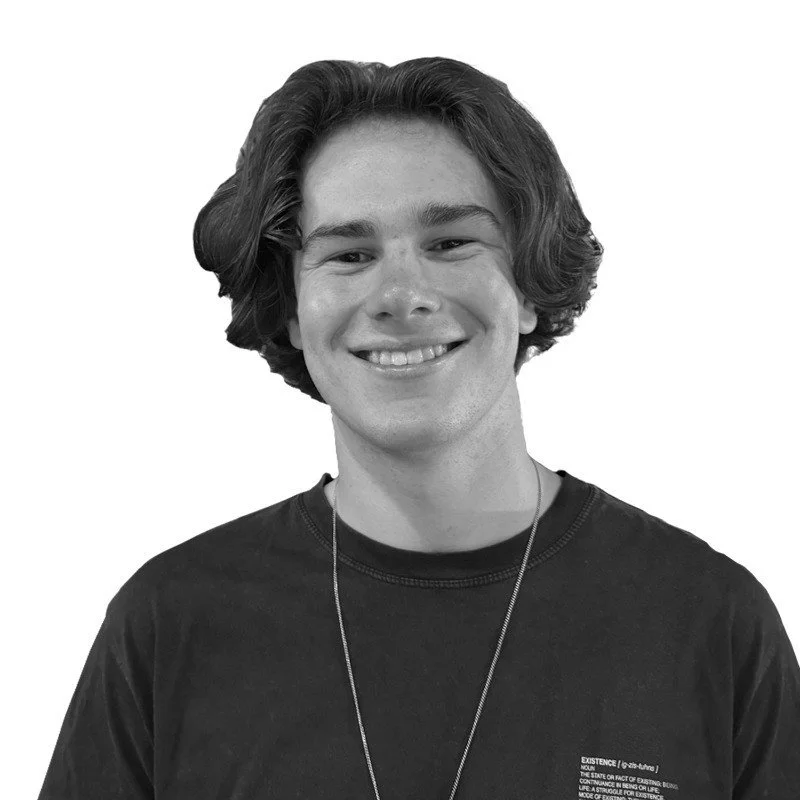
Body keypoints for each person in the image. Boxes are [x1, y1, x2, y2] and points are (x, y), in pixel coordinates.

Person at [38, 57, 799, 799]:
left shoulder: (710, 623)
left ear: (529, 286)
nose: (401, 295)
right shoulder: (170, 627)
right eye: (349, 254)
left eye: (450, 242)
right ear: (293, 310)